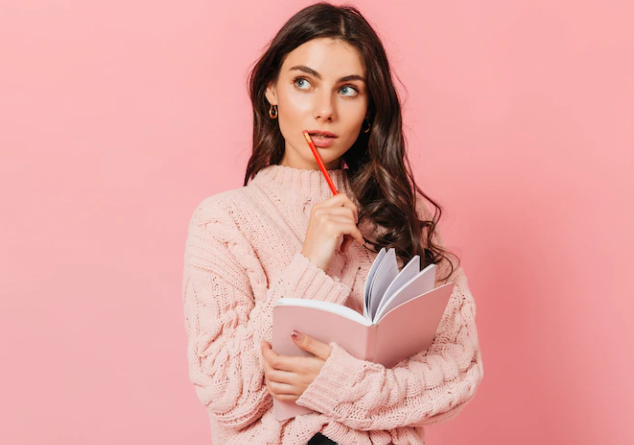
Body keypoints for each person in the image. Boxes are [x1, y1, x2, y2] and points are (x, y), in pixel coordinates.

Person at [181, 2, 484, 444]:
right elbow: (226, 392)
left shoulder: (402, 218)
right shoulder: (224, 222)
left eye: (347, 90)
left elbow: (459, 372)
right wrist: (310, 265)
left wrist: (339, 385)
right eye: (303, 83)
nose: (324, 110)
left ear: (369, 108)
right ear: (271, 91)